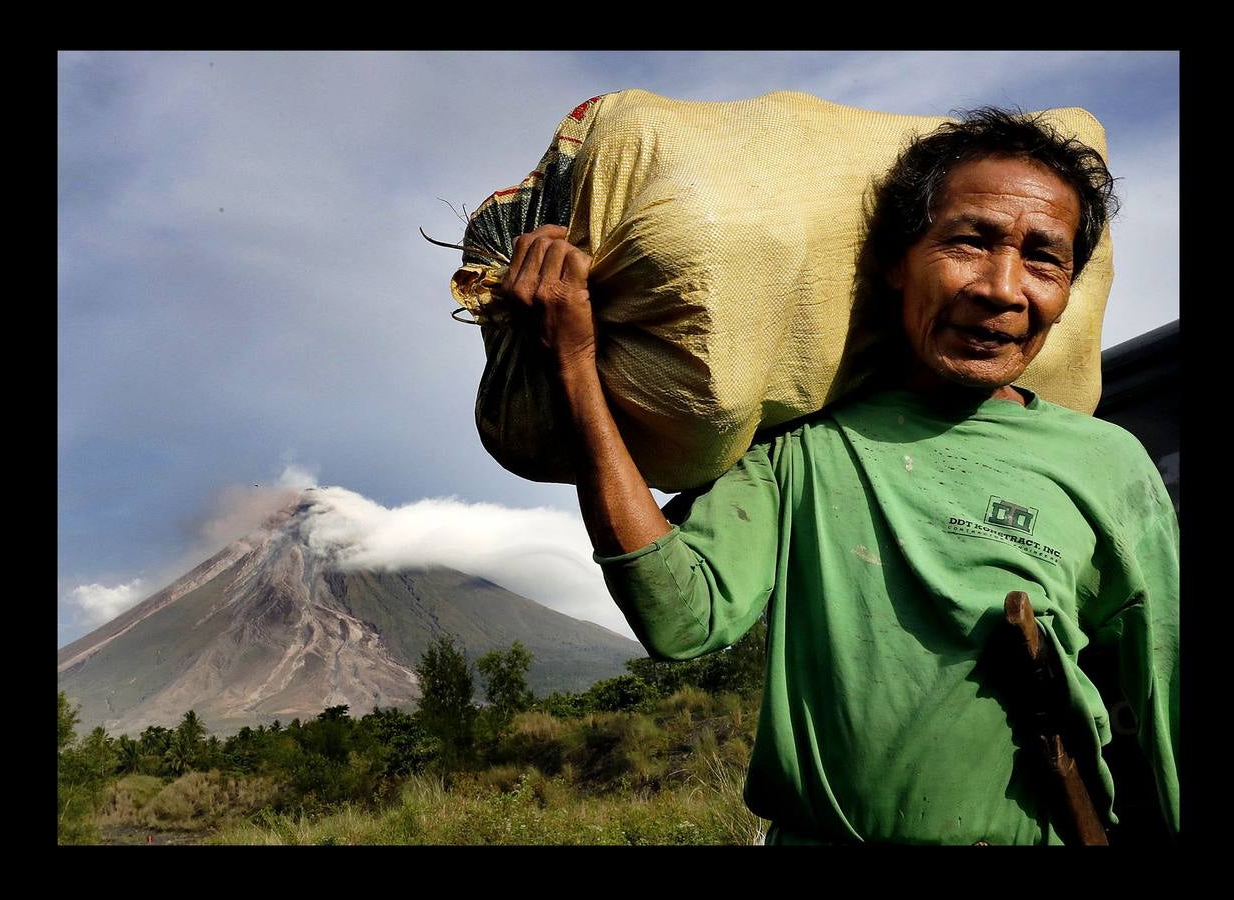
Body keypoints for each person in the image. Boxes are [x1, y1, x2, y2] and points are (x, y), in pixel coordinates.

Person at [497, 108, 1179, 845]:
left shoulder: (1106, 464)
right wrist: (573, 361)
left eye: (1042, 260)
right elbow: (680, 617)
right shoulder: (804, 450)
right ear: (896, 260)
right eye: (969, 241)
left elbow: (1164, 701)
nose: (1002, 288)